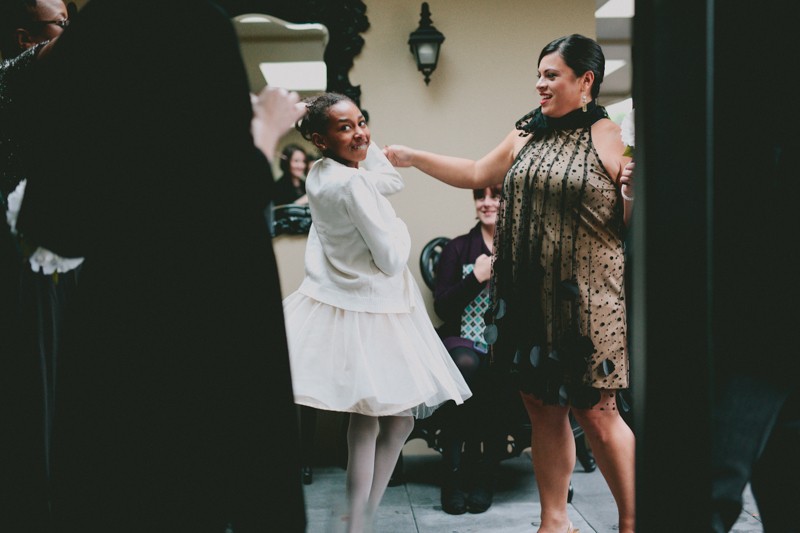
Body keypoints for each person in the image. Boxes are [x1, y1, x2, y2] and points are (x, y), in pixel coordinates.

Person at [15, 1, 307, 531]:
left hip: (107, 351)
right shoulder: (195, 25)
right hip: (197, 348)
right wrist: (263, 129)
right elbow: (227, 214)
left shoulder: (90, 36)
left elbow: (53, 223)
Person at [385, 34, 636, 533]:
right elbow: (478, 170)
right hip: (526, 298)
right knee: (544, 411)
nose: (540, 84)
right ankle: (554, 521)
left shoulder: (605, 133)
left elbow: (626, 218)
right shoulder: (527, 131)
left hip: (587, 301)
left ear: (585, 80)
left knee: (598, 416)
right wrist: (416, 157)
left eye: (552, 75)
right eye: (539, 74)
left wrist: (632, 191)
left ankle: (634, 520)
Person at [282, 92, 471, 533]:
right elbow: (389, 257)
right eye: (345, 127)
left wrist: (364, 142)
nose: (360, 133)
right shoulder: (352, 185)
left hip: (359, 304)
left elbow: (389, 182)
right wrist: (400, 227)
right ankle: (359, 523)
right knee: (379, 420)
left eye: (362, 122)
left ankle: (360, 519)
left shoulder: (321, 173)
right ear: (319, 138)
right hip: (374, 308)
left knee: (379, 419)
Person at [0, 1, 74, 528]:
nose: (73, 32)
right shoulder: (10, 76)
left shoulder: (61, 95)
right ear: (27, 37)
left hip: (62, 257)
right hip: (19, 262)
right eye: (62, 23)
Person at [431, 185, 509, 515]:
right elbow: (443, 309)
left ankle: (483, 474)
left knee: (499, 368)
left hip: (503, 345)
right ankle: (453, 474)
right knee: (465, 364)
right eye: (481, 196)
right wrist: (476, 277)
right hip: (461, 340)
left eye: (496, 196)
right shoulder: (458, 248)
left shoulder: (520, 248)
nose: (488, 203)